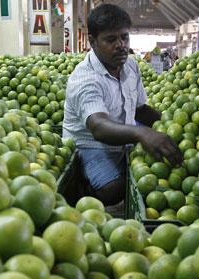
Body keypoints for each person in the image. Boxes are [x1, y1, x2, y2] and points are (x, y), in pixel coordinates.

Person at [62, 4, 181, 206]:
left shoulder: (131, 66)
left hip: (124, 137)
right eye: (111, 39)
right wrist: (142, 133)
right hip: (91, 144)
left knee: (164, 153)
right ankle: (83, 188)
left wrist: (170, 124)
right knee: (113, 189)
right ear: (93, 41)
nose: (120, 45)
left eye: (124, 37)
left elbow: (140, 110)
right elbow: (99, 127)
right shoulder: (85, 79)